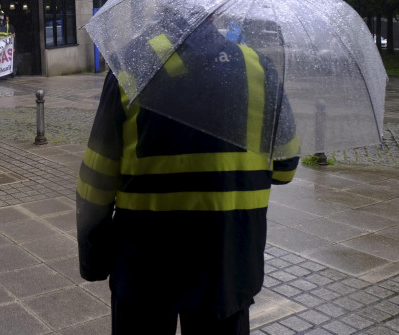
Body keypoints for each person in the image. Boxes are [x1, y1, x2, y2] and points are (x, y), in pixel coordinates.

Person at [76, 19, 299, 335]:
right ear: (213, 13)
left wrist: (94, 259)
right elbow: (285, 168)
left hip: (145, 262)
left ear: (163, 13)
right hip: (228, 259)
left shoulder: (130, 66)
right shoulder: (257, 67)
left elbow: (96, 180)